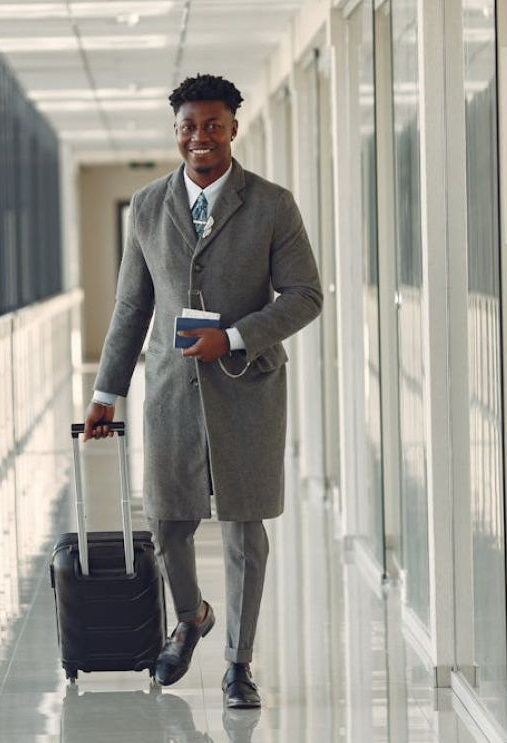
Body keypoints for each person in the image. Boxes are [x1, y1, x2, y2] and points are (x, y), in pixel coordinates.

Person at [82, 74, 322, 709]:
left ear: (234, 128)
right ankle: (191, 618)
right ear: (177, 131)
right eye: (188, 126)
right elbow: (132, 307)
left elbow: (305, 296)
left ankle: (238, 664)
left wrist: (237, 338)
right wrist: (107, 392)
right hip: (170, 391)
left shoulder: (272, 204)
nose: (200, 138)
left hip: (248, 390)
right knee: (169, 523)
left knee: (246, 531)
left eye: (213, 125)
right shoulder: (146, 206)